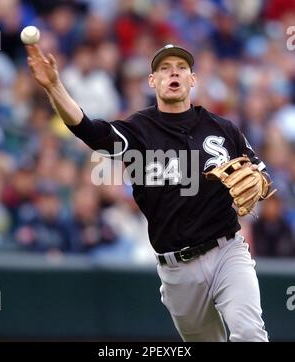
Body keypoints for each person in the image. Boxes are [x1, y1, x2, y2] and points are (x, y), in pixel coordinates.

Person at [26, 43, 272, 342]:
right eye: (164, 68)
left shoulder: (222, 129)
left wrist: (259, 182)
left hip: (227, 251)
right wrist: (54, 86)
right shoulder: (140, 129)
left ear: (192, 79)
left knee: (250, 334)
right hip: (177, 269)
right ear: (152, 81)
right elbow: (88, 129)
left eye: (181, 68)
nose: (174, 73)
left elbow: (261, 175)